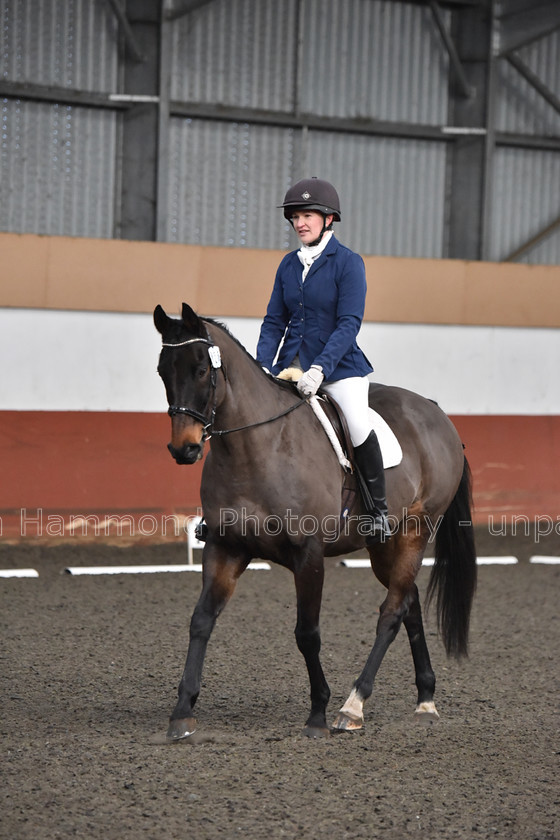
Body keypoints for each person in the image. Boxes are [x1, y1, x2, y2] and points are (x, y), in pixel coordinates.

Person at [256, 177, 391, 543]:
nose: (300, 222)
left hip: (339, 369)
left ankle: (378, 512)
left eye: (308, 215)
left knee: (358, 424)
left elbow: (349, 324)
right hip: (290, 366)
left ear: (328, 219)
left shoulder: (347, 263)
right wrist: (263, 367)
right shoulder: (288, 265)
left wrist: (320, 369)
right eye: (295, 216)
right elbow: (274, 321)